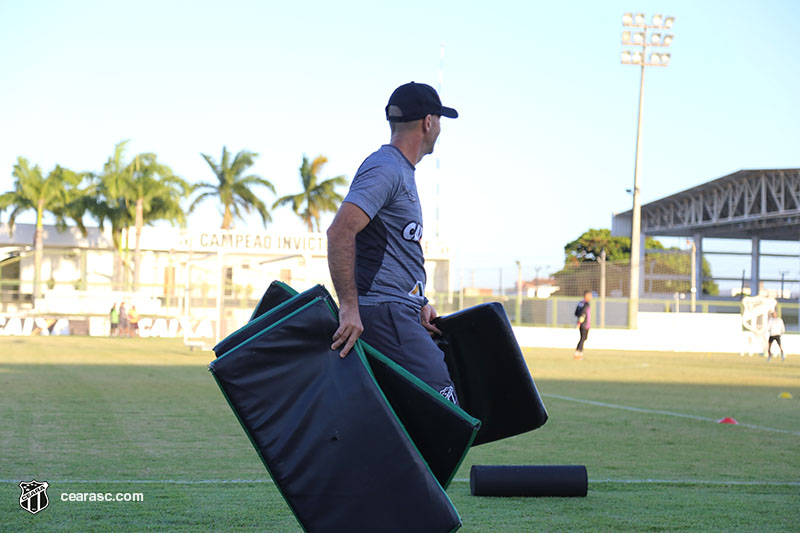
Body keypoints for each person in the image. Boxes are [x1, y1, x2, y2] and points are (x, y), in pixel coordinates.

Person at [327, 81, 459, 403]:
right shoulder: (387, 169)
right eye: (439, 120)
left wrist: (418, 301)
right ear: (429, 122)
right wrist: (348, 307)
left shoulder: (400, 170)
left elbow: (392, 251)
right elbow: (340, 231)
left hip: (399, 310)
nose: (439, 128)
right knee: (443, 405)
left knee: (400, 413)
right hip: (384, 312)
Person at [574, 290, 593, 360]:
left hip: (581, 323)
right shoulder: (586, 304)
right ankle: (578, 353)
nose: (591, 297)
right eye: (590, 295)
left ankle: (578, 353)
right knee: (583, 338)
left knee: (583, 338)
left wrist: (579, 322)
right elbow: (583, 314)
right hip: (585, 324)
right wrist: (580, 322)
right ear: (587, 296)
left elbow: (576, 313)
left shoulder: (580, 303)